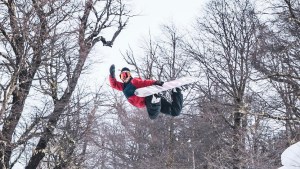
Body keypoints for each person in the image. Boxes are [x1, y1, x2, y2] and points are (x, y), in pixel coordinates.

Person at [109, 64, 183, 119]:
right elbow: (114, 84)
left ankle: (156, 98)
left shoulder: (134, 81)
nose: (124, 78)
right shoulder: (123, 87)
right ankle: (177, 91)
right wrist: (112, 75)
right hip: (149, 101)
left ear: (130, 75)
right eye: (122, 76)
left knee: (153, 116)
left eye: (126, 75)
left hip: (148, 99)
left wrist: (155, 82)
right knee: (175, 112)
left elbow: (144, 82)